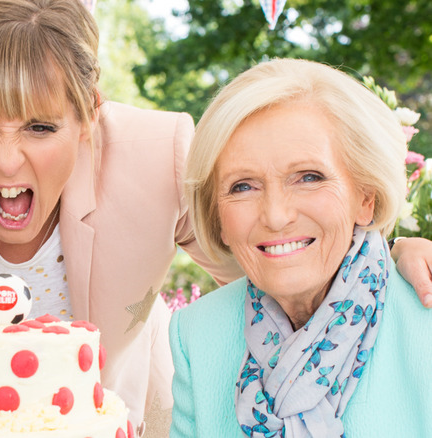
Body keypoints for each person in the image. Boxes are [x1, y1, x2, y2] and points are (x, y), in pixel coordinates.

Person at [0, 0, 432, 433]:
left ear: (89, 116)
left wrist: (387, 246)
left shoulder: (157, 158)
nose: (7, 161)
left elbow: (271, 248)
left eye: (40, 126)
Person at [169, 58, 432, 437]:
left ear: (366, 197)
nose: (275, 216)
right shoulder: (197, 332)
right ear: (217, 217)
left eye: (308, 177)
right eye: (242, 186)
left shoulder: (423, 322)